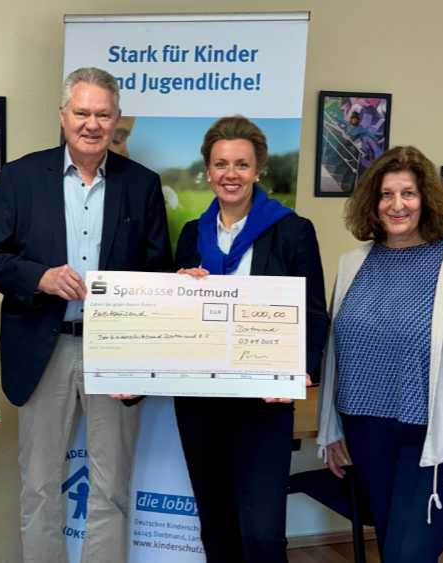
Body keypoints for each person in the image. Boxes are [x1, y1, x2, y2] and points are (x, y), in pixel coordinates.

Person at [0, 67, 171, 563]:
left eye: (103, 114)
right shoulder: (21, 176)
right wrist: (39, 277)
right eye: (81, 112)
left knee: (111, 485)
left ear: (117, 119)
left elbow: (157, 270)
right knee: (39, 484)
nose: (91, 124)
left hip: (116, 351)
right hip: (45, 346)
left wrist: (179, 290)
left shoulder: (142, 185)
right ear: (63, 115)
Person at [317, 145, 443, 562]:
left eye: (408, 193)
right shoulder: (353, 263)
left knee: (407, 553)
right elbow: (335, 352)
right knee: (390, 544)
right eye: (386, 194)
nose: (396, 205)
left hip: (431, 437)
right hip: (365, 430)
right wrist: (330, 428)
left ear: (426, 199)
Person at [172, 116, 329, 563]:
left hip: (263, 401)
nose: (231, 174)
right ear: (208, 171)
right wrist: (180, 289)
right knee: (216, 525)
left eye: (241, 164)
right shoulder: (192, 234)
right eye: (221, 164)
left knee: (261, 534)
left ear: (259, 170)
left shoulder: (292, 230)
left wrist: (301, 369)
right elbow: (176, 318)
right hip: (201, 402)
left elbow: (313, 311)